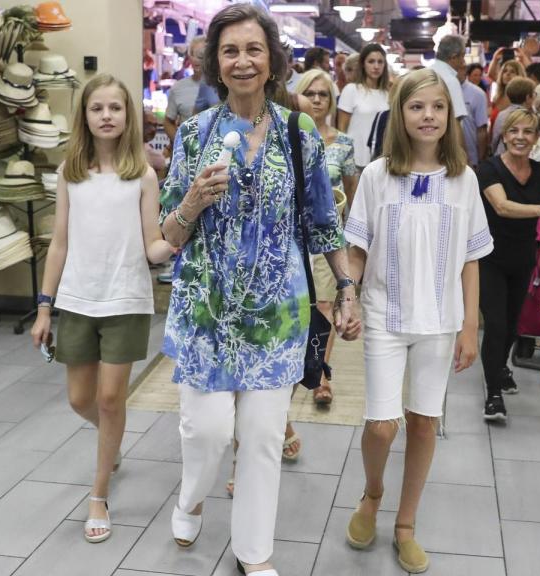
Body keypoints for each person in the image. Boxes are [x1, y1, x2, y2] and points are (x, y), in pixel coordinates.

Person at [158, 5, 362, 575]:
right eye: (230, 51)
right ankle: (191, 494)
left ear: (272, 59)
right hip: (206, 310)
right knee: (208, 430)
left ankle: (255, 553)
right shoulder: (195, 134)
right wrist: (194, 198)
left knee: (263, 434)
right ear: (214, 64)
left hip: (276, 312)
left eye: (254, 49)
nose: (243, 60)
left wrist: (346, 286)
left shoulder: (299, 133)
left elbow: (325, 223)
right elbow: (169, 233)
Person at [343, 69, 491, 574]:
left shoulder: (464, 179)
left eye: (437, 107)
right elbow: (357, 248)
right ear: (399, 115)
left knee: (425, 423)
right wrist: (348, 295)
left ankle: (406, 525)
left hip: (441, 319)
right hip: (384, 314)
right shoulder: (376, 175)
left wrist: (470, 326)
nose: (428, 116)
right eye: (416, 107)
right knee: (382, 427)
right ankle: (372, 493)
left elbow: (472, 260)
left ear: (449, 116)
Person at [31, 74, 175, 544]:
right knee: (80, 400)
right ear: (85, 117)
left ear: (128, 116)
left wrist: (178, 235)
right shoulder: (71, 173)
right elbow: (59, 244)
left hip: (127, 301)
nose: (107, 115)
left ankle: (99, 493)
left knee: (112, 399)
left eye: (116, 107)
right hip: (75, 300)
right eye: (98, 108)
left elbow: (153, 243)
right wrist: (44, 307)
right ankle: (109, 439)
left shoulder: (143, 175)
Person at [475, 108, 540, 421]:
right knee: (495, 325)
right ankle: (493, 394)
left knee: (512, 324)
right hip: (488, 258)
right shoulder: (488, 168)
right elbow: (502, 206)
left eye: (528, 132)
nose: (520, 137)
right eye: (513, 131)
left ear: (535, 138)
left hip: (522, 259)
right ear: (503, 136)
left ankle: (501, 366)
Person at [296, 68, 358, 406]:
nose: (317, 100)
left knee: (322, 303)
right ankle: (296, 363)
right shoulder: (288, 135)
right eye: (312, 93)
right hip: (292, 235)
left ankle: (320, 372)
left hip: (326, 236)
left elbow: (351, 189)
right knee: (298, 305)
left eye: (324, 94)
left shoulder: (343, 143)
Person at [338, 43, 391, 172]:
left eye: (380, 62)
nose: (376, 66)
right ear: (363, 64)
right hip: (354, 160)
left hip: (380, 160)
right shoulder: (351, 90)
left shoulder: (388, 94)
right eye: (371, 61)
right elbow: (341, 130)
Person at [427, 34, 470, 158]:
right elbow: (455, 123)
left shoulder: (426, 73)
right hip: (446, 150)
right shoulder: (450, 81)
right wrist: (464, 159)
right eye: (462, 56)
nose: (463, 61)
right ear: (453, 57)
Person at [165, 36, 208, 144]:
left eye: (201, 55)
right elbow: (168, 121)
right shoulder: (178, 88)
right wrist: (180, 144)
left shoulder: (223, 86)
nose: (196, 59)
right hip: (189, 154)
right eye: (193, 55)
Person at [490, 77, 535, 154]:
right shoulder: (530, 117)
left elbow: (495, 139)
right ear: (528, 98)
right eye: (534, 94)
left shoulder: (502, 114)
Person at [460, 58, 489, 166]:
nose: (478, 78)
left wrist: (480, 160)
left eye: (479, 75)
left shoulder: (478, 94)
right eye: (475, 75)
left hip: (471, 158)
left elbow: (482, 129)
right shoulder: (443, 89)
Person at [488, 59, 525, 133]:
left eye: (512, 72)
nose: (507, 74)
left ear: (519, 76)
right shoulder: (496, 98)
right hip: (494, 142)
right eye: (505, 71)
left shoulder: (523, 100)